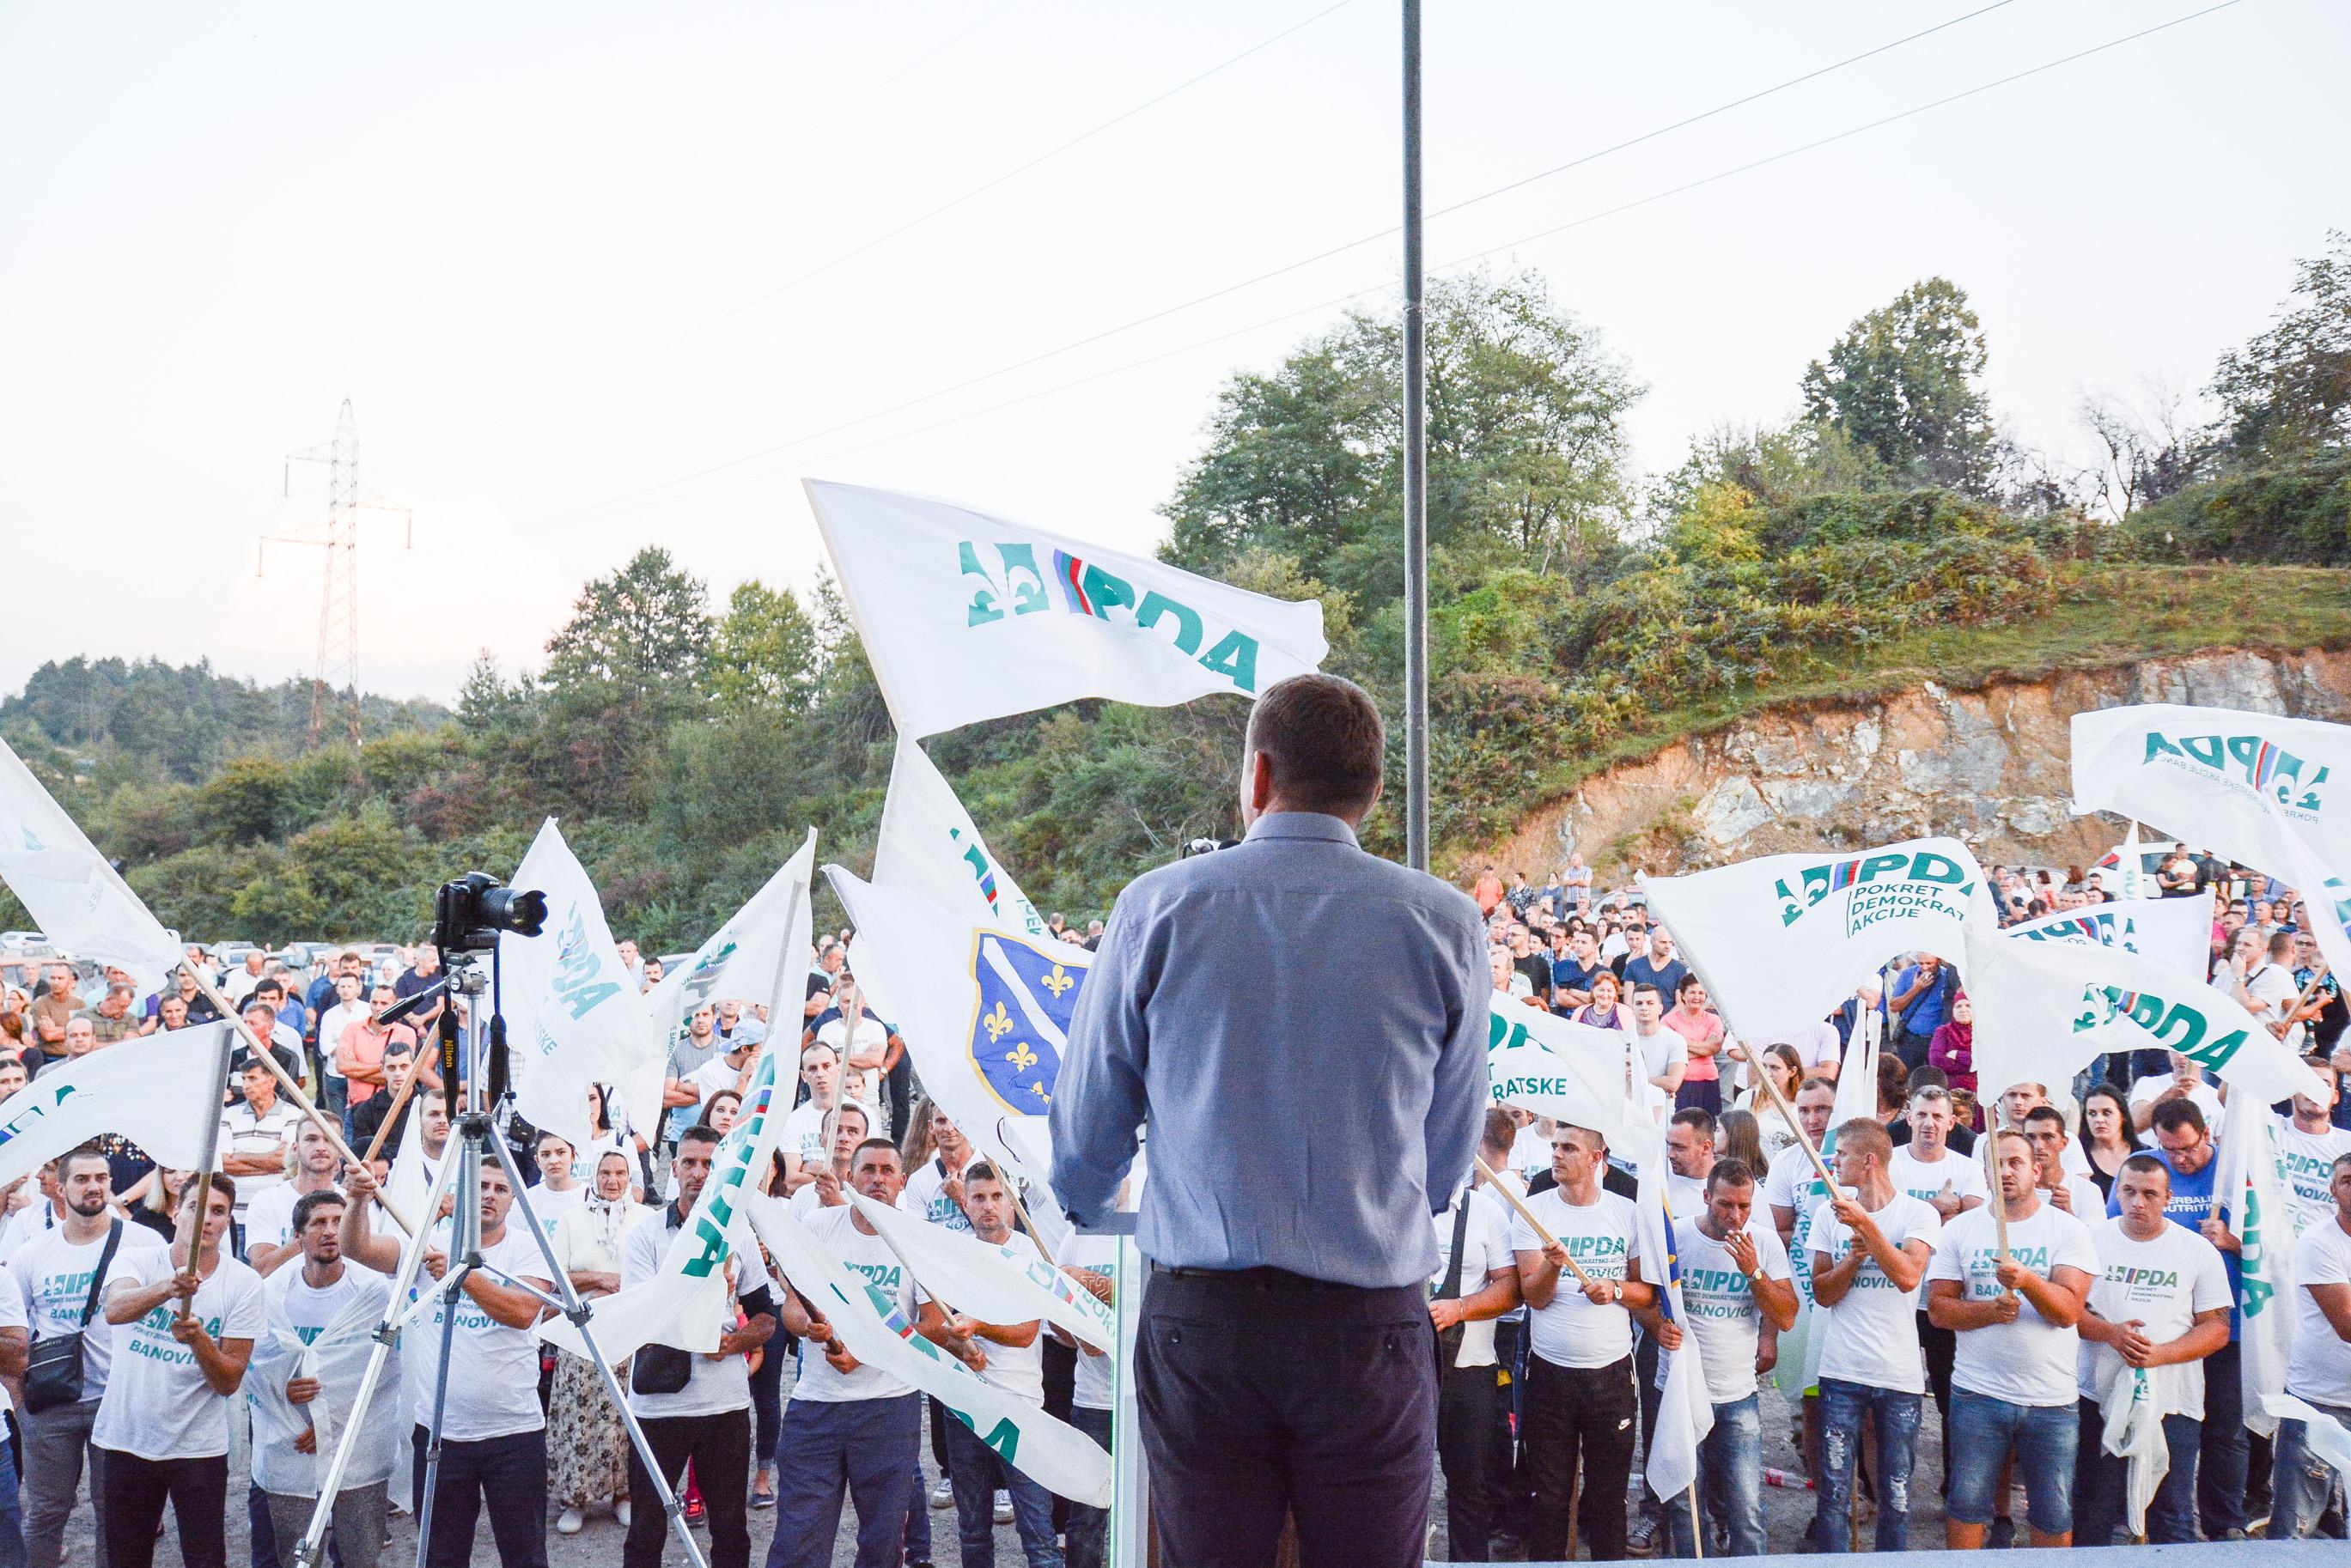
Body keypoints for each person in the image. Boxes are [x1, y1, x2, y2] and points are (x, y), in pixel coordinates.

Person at [1049, 672, 1487, 1568]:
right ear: (1372, 790)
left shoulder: (1158, 904)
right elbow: (1445, 1158)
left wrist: (1086, 1198)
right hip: (1369, 1328)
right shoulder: (1442, 920)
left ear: (1257, 776)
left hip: (1204, 1325)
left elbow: (1088, 1130)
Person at [338, 1159, 552, 1568]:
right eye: (481, 1186)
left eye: (500, 1189)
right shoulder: (428, 1242)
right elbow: (357, 1248)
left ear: (513, 1201)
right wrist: (358, 1199)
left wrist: (464, 1276)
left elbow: (523, 1311)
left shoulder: (529, 1247)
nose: (489, 1194)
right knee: (441, 1556)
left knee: (524, 1555)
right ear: (463, 1197)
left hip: (515, 1433)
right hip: (441, 1434)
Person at [769, 1139, 960, 1568]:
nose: (877, 1179)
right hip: (817, 1403)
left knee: (882, 1538)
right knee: (800, 1533)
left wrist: (867, 1352)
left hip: (889, 1408)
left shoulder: (917, 1240)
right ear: (849, 1177)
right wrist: (809, 1327)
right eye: (868, 1170)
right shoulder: (820, 1226)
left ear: (902, 1181)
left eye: (887, 1171)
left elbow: (933, 1324)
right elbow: (794, 1308)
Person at [1926, 1129, 2098, 1549]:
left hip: (2052, 1400)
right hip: (1978, 1394)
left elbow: (2068, 1313)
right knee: (1966, 1505)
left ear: (2037, 1170)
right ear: (1982, 1172)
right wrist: (1989, 1311)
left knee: (2053, 1512)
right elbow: (1939, 1310)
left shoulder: (2068, 1230)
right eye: (1996, 1163)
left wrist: (2028, 1282)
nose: (2005, 1171)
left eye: (2016, 1162)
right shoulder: (1959, 1231)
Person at [0, 1143, 166, 1568]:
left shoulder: (144, 1242)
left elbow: (166, 1322)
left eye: (101, 1179)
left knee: (116, 1516)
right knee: (44, 1515)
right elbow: (11, 1334)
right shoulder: (31, 1254)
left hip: (120, 1401)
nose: (93, 1187)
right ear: (59, 1187)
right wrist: (20, 1403)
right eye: (82, 1179)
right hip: (51, 1402)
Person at [620, 1127, 777, 1568]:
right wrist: (707, 1292)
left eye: (709, 1165)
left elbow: (766, 1318)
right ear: (673, 1170)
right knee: (646, 1529)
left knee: (730, 1528)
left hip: (723, 1406)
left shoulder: (739, 1235)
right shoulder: (645, 1236)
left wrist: (733, 1342)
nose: (698, 1173)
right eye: (689, 1162)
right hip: (659, 1407)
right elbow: (642, 1316)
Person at [94, 1174, 263, 1568]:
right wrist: (167, 1289)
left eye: (217, 1211)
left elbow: (228, 1381)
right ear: (175, 1212)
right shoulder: (137, 1258)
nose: (206, 1218)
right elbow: (116, 1310)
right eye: (196, 1207)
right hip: (125, 1438)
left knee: (205, 1558)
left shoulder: (244, 1283)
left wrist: (200, 1341)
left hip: (197, 1448)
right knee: (126, 1557)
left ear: (227, 1223)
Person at [1510, 1124, 1656, 1561]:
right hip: (1550, 1374)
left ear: (1597, 1158)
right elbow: (1534, 1297)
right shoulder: (1532, 1211)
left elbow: (1646, 1291)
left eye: (1569, 1148)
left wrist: (1613, 1288)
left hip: (1610, 1374)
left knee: (1609, 1499)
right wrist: (1554, 1267)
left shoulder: (1626, 1212)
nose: (1557, 1154)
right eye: (1555, 1146)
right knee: (1550, 1498)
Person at [2072, 1154, 2232, 1545]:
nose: (2137, 1202)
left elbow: (2217, 1328)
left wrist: (2159, 1355)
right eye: (2128, 1191)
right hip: (2099, 1394)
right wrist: (2110, 1333)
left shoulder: (2196, 1250)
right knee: (2095, 1507)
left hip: (2174, 1401)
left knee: (2170, 1511)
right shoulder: (2089, 1241)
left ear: (2168, 1198)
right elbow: (2065, 1310)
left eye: (2149, 1193)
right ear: (2116, 1192)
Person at [1805, 1118, 1940, 1552]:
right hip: (1842, 1369)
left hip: (1899, 1375)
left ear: (1868, 1161)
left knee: (1896, 1492)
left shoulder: (1919, 1214)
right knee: (1833, 1493)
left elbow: (1907, 1276)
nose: (1834, 1162)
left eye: (1841, 1153)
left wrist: (1867, 1228)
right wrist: (1851, 1261)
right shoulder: (1828, 1214)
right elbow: (1822, 1293)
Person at [2123, 1097, 2255, 1539]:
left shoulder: (2235, 1174)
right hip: (2159, 1326)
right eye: (2169, 1149)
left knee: (2225, 1432)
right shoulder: (2147, 1172)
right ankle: (2154, 1519)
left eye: (2188, 1148)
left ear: (2207, 1134)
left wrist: (2236, 1242)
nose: (2179, 1158)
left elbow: (2279, 1243)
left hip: (2223, 1327)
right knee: (2165, 1426)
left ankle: (2223, 1524)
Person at [1663, 1156, 1797, 1558]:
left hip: (1738, 1393)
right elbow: (1648, 1297)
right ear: (1706, 1196)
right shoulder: (1678, 1236)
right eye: (1725, 1204)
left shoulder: (1764, 1243)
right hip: (1682, 1390)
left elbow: (1787, 1315)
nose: (1735, 1216)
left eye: (1744, 1206)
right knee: (1685, 1502)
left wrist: (1754, 1272)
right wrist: (1656, 1325)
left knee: (1747, 1507)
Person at [932, 1164, 1063, 1568]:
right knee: (972, 1533)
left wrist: (979, 1327)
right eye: (978, 1197)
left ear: (1010, 1202)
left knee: (1038, 1533)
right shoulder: (952, 1253)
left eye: (996, 1196)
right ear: (964, 1204)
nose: (988, 1206)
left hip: (1021, 1405)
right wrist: (961, 1344)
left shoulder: (1028, 1254)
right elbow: (940, 1329)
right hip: (967, 1406)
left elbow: (1026, 1332)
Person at [256, 1189, 391, 1568]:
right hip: (292, 1445)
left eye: (338, 1222)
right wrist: (283, 1390)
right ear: (298, 1235)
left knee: (360, 1557)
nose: (331, 1231)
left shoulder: (372, 1293)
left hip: (358, 1449)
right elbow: (254, 1365)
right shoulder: (274, 1295)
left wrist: (331, 1426)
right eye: (319, 1223)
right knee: (297, 1558)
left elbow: (385, 1376)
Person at [1428, 1153, 1520, 1562]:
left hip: (1470, 1371)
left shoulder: (1485, 1213)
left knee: (1468, 1485)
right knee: (1394, 1483)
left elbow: (1511, 1288)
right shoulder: (1395, 1204)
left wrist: (1460, 1308)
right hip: (1400, 1373)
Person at [549, 1151, 644, 1536]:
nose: (612, 1180)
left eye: (620, 1173)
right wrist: (601, 1280)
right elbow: (557, 1276)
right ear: (595, 1176)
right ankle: (575, 1499)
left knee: (625, 1418)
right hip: (581, 1334)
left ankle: (624, 1495)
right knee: (579, 1416)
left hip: (630, 1332)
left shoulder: (645, 1218)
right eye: (605, 1173)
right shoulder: (572, 1219)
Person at [2269, 1152, 2351, 1537]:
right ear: (2333, 1189)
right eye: (2348, 1180)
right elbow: (2347, 1323)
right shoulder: (2319, 1241)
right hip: (2320, 1400)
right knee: (2293, 1533)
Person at [242, 1121, 343, 1276]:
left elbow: (367, 1268)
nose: (321, 1147)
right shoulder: (266, 1201)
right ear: (295, 1149)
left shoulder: (353, 1203)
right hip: (281, 1298)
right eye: (311, 1139)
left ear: (341, 1150)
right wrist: (307, 1237)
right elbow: (262, 1269)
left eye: (330, 1140)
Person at [219, 1058, 301, 1244]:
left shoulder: (293, 1115)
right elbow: (223, 1163)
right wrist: (273, 1163)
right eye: (244, 1079)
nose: (246, 1085)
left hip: (277, 1214)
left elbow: (285, 1160)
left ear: (272, 1081)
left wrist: (240, 1156)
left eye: (253, 1079)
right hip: (238, 1214)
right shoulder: (230, 1115)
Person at [2280, 1056, 2351, 1230]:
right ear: (2291, 1090)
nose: (2316, 1089)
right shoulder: (2270, 1128)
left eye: (2325, 1084)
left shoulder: (2347, 1145)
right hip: (2271, 1246)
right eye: (2308, 1082)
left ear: (2335, 1097)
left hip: (2326, 1247)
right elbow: (2230, 1100)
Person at [1662, 975, 1726, 1115]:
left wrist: (1679, 1044)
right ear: (1683, 996)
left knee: (1709, 1126)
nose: (1697, 997)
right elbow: (1666, 1053)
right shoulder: (1669, 1020)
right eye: (1692, 992)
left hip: (1709, 1081)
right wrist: (1704, 1049)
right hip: (1681, 1083)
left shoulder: (1714, 1019)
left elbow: (1714, 1047)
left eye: (1701, 993)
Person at [2129, 1052, 2224, 1133]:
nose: (2180, 1056)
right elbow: (2136, 1125)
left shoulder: (2216, 1097)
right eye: (2175, 1051)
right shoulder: (2147, 1084)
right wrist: (2171, 1094)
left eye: (2187, 1052)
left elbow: (2221, 1145)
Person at [2075, 1084, 2141, 1202]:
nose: (2099, 1120)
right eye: (2092, 1113)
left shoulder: (2143, 1154)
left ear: (2123, 1116)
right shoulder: (2077, 1156)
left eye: (2107, 1113)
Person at [531, 1132, 588, 1225]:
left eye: (561, 1153)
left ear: (573, 1156)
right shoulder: (527, 1200)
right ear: (537, 1161)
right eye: (545, 1155)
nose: (553, 1161)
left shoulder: (590, 1198)